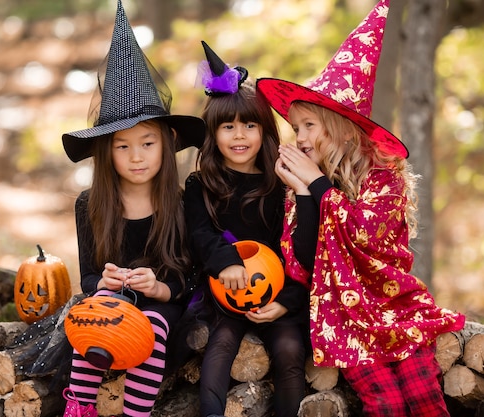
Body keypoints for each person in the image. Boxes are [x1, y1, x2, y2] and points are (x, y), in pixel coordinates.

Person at [256, 0, 466, 416]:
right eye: (296, 128)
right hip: (345, 321)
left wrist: (316, 186)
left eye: (308, 126)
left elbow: (367, 234)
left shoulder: (384, 178)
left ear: (340, 130)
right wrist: (302, 192)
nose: (298, 137)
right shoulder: (310, 186)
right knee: (384, 403)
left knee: (423, 396)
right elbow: (301, 262)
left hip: (393, 310)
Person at [59, 2, 205, 416]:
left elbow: (191, 274)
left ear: (168, 142)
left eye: (147, 143)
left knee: (154, 325)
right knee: (87, 315)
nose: (136, 157)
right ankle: (81, 406)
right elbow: (88, 275)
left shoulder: (181, 201)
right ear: (106, 153)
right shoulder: (90, 204)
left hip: (164, 309)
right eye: (122, 146)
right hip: (113, 306)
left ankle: (135, 413)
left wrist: (158, 287)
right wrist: (101, 284)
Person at [184, 41, 309, 417]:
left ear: (264, 130)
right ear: (213, 133)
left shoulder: (281, 183)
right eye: (228, 127)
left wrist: (284, 301)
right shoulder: (200, 184)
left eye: (249, 125)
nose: (239, 136)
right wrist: (226, 263)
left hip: (278, 294)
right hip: (223, 295)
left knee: (289, 350)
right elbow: (200, 233)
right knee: (219, 348)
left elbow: (298, 248)